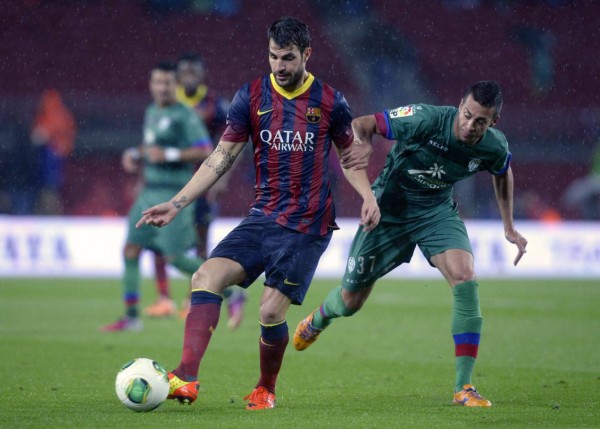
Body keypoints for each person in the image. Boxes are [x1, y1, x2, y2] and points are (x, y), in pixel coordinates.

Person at [136, 17, 379, 410]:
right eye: (272, 57)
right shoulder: (250, 97)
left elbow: (350, 158)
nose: (279, 66)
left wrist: (367, 195)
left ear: (306, 55)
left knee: (268, 311)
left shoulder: (331, 101)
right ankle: (186, 377)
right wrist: (178, 202)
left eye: (287, 58)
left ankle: (266, 387)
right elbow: (220, 156)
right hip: (263, 216)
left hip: (307, 225)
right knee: (205, 276)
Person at [293, 81, 529, 407]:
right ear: (459, 105)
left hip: (435, 213)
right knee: (350, 300)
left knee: (465, 277)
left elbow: (503, 171)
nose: (470, 125)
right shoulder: (424, 119)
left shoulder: (493, 145)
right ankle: (318, 318)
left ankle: (464, 387)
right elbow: (361, 125)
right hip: (388, 209)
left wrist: (509, 226)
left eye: (481, 122)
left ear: (494, 122)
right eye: (467, 115)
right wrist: (364, 180)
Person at [100, 61, 213, 332]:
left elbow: (206, 149)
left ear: (175, 85)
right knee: (130, 250)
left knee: (176, 259)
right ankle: (131, 317)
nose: (161, 88)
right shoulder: (151, 111)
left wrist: (170, 155)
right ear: (151, 85)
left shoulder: (185, 116)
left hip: (173, 194)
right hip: (148, 191)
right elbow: (151, 146)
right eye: (157, 82)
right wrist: (136, 154)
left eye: (167, 83)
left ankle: (229, 288)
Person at [144, 53, 247, 331]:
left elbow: (234, 142)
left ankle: (195, 297)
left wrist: (221, 178)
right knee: (157, 236)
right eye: (184, 70)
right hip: (168, 183)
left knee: (200, 241)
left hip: (201, 184)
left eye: (194, 70)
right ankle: (164, 297)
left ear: (202, 74)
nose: (189, 74)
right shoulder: (166, 103)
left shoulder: (215, 104)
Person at [30, 89, 77, 214]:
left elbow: (43, 135)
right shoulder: (45, 116)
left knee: (52, 188)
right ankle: (45, 210)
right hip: (48, 156)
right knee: (47, 188)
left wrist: (59, 146)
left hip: (54, 157)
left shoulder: (59, 116)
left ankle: (52, 211)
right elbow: (37, 135)